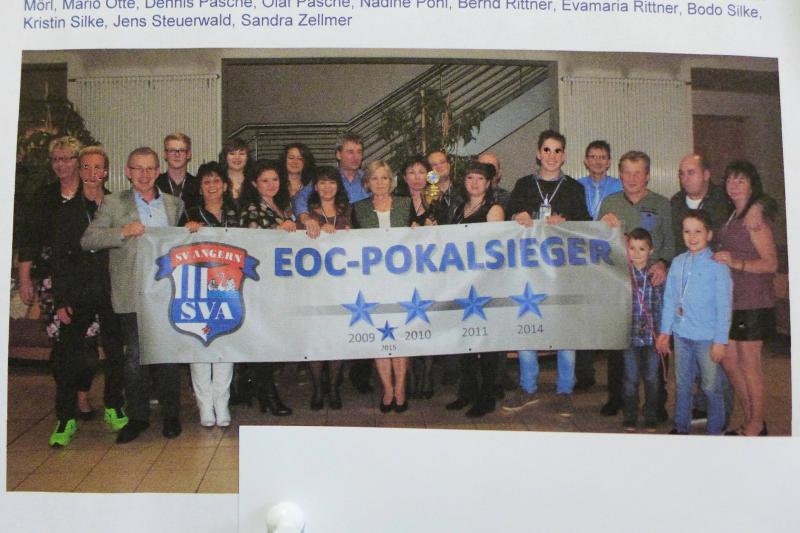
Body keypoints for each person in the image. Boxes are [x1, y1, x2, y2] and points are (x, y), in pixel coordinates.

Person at [81, 147, 185, 443]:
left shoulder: (174, 204)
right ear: (128, 172)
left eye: (150, 168)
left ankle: (171, 415)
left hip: (166, 293)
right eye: (138, 168)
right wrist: (123, 231)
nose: (144, 174)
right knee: (135, 358)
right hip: (131, 293)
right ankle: (138, 417)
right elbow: (88, 239)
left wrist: (191, 230)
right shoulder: (114, 203)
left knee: (167, 356)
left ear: (158, 171)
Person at [504, 129, 590, 416]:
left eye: (557, 151)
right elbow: (506, 223)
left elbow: (586, 226)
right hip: (529, 271)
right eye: (547, 150)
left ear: (564, 156)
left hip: (562, 272)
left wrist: (567, 222)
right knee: (527, 327)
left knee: (565, 331)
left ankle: (565, 390)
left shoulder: (575, 188)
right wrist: (516, 216)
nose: (552, 156)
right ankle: (528, 387)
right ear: (538, 153)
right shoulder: (523, 185)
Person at [47, 145, 128, 446]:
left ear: (106, 172)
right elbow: (59, 258)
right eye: (86, 167)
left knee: (115, 352)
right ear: (79, 171)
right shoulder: (67, 211)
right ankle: (65, 418)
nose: (92, 173)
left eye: (98, 167)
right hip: (77, 292)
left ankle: (114, 406)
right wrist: (61, 300)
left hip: (112, 289)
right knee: (68, 357)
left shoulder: (117, 206)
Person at [598, 150, 674, 419]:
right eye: (627, 173)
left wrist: (662, 263)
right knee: (619, 345)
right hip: (621, 286)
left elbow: (670, 242)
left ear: (647, 175)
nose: (631, 179)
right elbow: (597, 245)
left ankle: (658, 403)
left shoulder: (662, 204)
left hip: (653, 285)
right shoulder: (609, 203)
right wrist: (603, 227)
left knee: (657, 347)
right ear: (620, 175)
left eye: (637, 173)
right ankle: (616, 398)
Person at [295, 132, 372, 394]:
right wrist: (307, 218)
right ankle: (321, 385)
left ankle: (349, 380)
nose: (355, 156)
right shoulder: (321, 181)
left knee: (348, 325)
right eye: (349, 151)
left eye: (359, 151)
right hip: (318, 275)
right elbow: (300, 203)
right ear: (338, 154)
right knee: (319, 331)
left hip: (350, 269)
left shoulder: (366, 180)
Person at [714, 161, 778, 436]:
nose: (734, 185)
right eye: (730, 180)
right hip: (732, 299)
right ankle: (751, 417)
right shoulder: (733, 215)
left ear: (752, 185)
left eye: (741, 180)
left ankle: (756, 424)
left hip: (753, 301)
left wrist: (736, 263)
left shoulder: (755, 219)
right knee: (729, 360)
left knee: (750, 365)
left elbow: (771, 264)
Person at [656, 210, 732, 435]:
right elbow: (670, 299)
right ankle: (681, 427)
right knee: (682, 384)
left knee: (710, 386)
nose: (692, 236)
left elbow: (724, 306)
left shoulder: (717, 265)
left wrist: (720, 341)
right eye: (687, 231)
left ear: (709, 234)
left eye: (698, 231)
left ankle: (714, 430)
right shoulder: (678, 262)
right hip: (682, 335)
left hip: (707, 338)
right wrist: (665, 332)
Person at [443, 161, 505, 418]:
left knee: (486, 342)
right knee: (465, 340)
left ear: (489, 183)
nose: (475, 183)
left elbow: (495, 249)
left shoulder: (494, 210)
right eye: (470, 178)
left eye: (480, 178)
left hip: (486, 283)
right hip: (462, 283)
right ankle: (467, 391)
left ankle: (487, 396)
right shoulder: (459, 209)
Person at [351, 160, 413, 413]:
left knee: (400, 335)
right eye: (374, 178)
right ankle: (387, 388)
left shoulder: (406, 205)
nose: (380, 183)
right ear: (367, 182)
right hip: (372, 283)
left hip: (403, 281)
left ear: (392, 181)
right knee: (380, 335)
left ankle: (401, 388)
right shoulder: (358, 209)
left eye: (384, 178)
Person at [181, 162, 238, 427]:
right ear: (200, 188)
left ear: (225, 185)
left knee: (226, 344)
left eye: (216, 181)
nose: (212, 186)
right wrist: (187, 230)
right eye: (206, 182)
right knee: (200, 344)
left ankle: (221, 402)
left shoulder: (235, 211)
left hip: (230, 286)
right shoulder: (190, 214)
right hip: (199, 288)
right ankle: (204, 405)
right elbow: (176, 246)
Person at [240, 159, 295, 417]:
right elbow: (252, 242)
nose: (271, 184)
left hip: (278, 283)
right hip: (259, 284)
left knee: (272, 339)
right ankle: (267, 393)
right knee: (263, 339)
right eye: (265, 180)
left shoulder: (281, 206)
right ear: (254, 184)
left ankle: (263, 390)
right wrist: (277, 229)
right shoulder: (252, 208)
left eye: (275, 179)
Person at [297, 166, 352, 410]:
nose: (327, 187)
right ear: (315, 187)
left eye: (331, 182)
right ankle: (318, 387)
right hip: (314, 288)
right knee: (316, 338)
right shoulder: (307, 216)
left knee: (336, 337)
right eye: (322, 182)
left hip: (341, 286)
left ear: (338, 186)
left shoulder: (348, 212)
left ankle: (334, 386)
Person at [575, 140, 623, 391]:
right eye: (592, 156)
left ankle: (617, 379)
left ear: (609, 161)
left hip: (610, 257)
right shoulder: (576, 186)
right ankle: (585, 373)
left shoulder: (619, 186)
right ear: (585, 160)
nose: (597, 161)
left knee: (612, 315)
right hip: (583, 257)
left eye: (602, 157)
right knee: (583, 313)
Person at [393, 155, 436, 398]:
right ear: (404, 177)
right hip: (403, 271)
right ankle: (408, 374)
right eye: (411, 172)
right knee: (406, 322)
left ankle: (427, 374)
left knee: (426, 320)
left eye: (422, 172)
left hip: (429, 270)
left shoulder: (438, 199)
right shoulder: (396, 201)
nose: (417, 177)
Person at [622, 228, 664, 433]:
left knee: (652, 378)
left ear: (651, 251)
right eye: (632, 248)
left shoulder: (657, 275)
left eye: (642, 249)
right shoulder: (622, 275)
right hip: (629, 336)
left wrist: (664, 333)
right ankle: (630, 415)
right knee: (630, 379)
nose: (636, 253)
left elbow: (664, 304)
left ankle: (651, 416)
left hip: (652, 337)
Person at [156, 132, 200, 211]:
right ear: (165, 154)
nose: (177, 155)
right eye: (172, 150)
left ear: (188, 154)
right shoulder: (155, 185)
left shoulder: (198, 185)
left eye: (182, 150)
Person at [219, 137, 258, 211]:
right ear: (225, 157)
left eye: (241, 153)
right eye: (232, 153)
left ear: (247, 157)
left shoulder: (254, 181)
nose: (237, 157)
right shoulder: (218, 181)